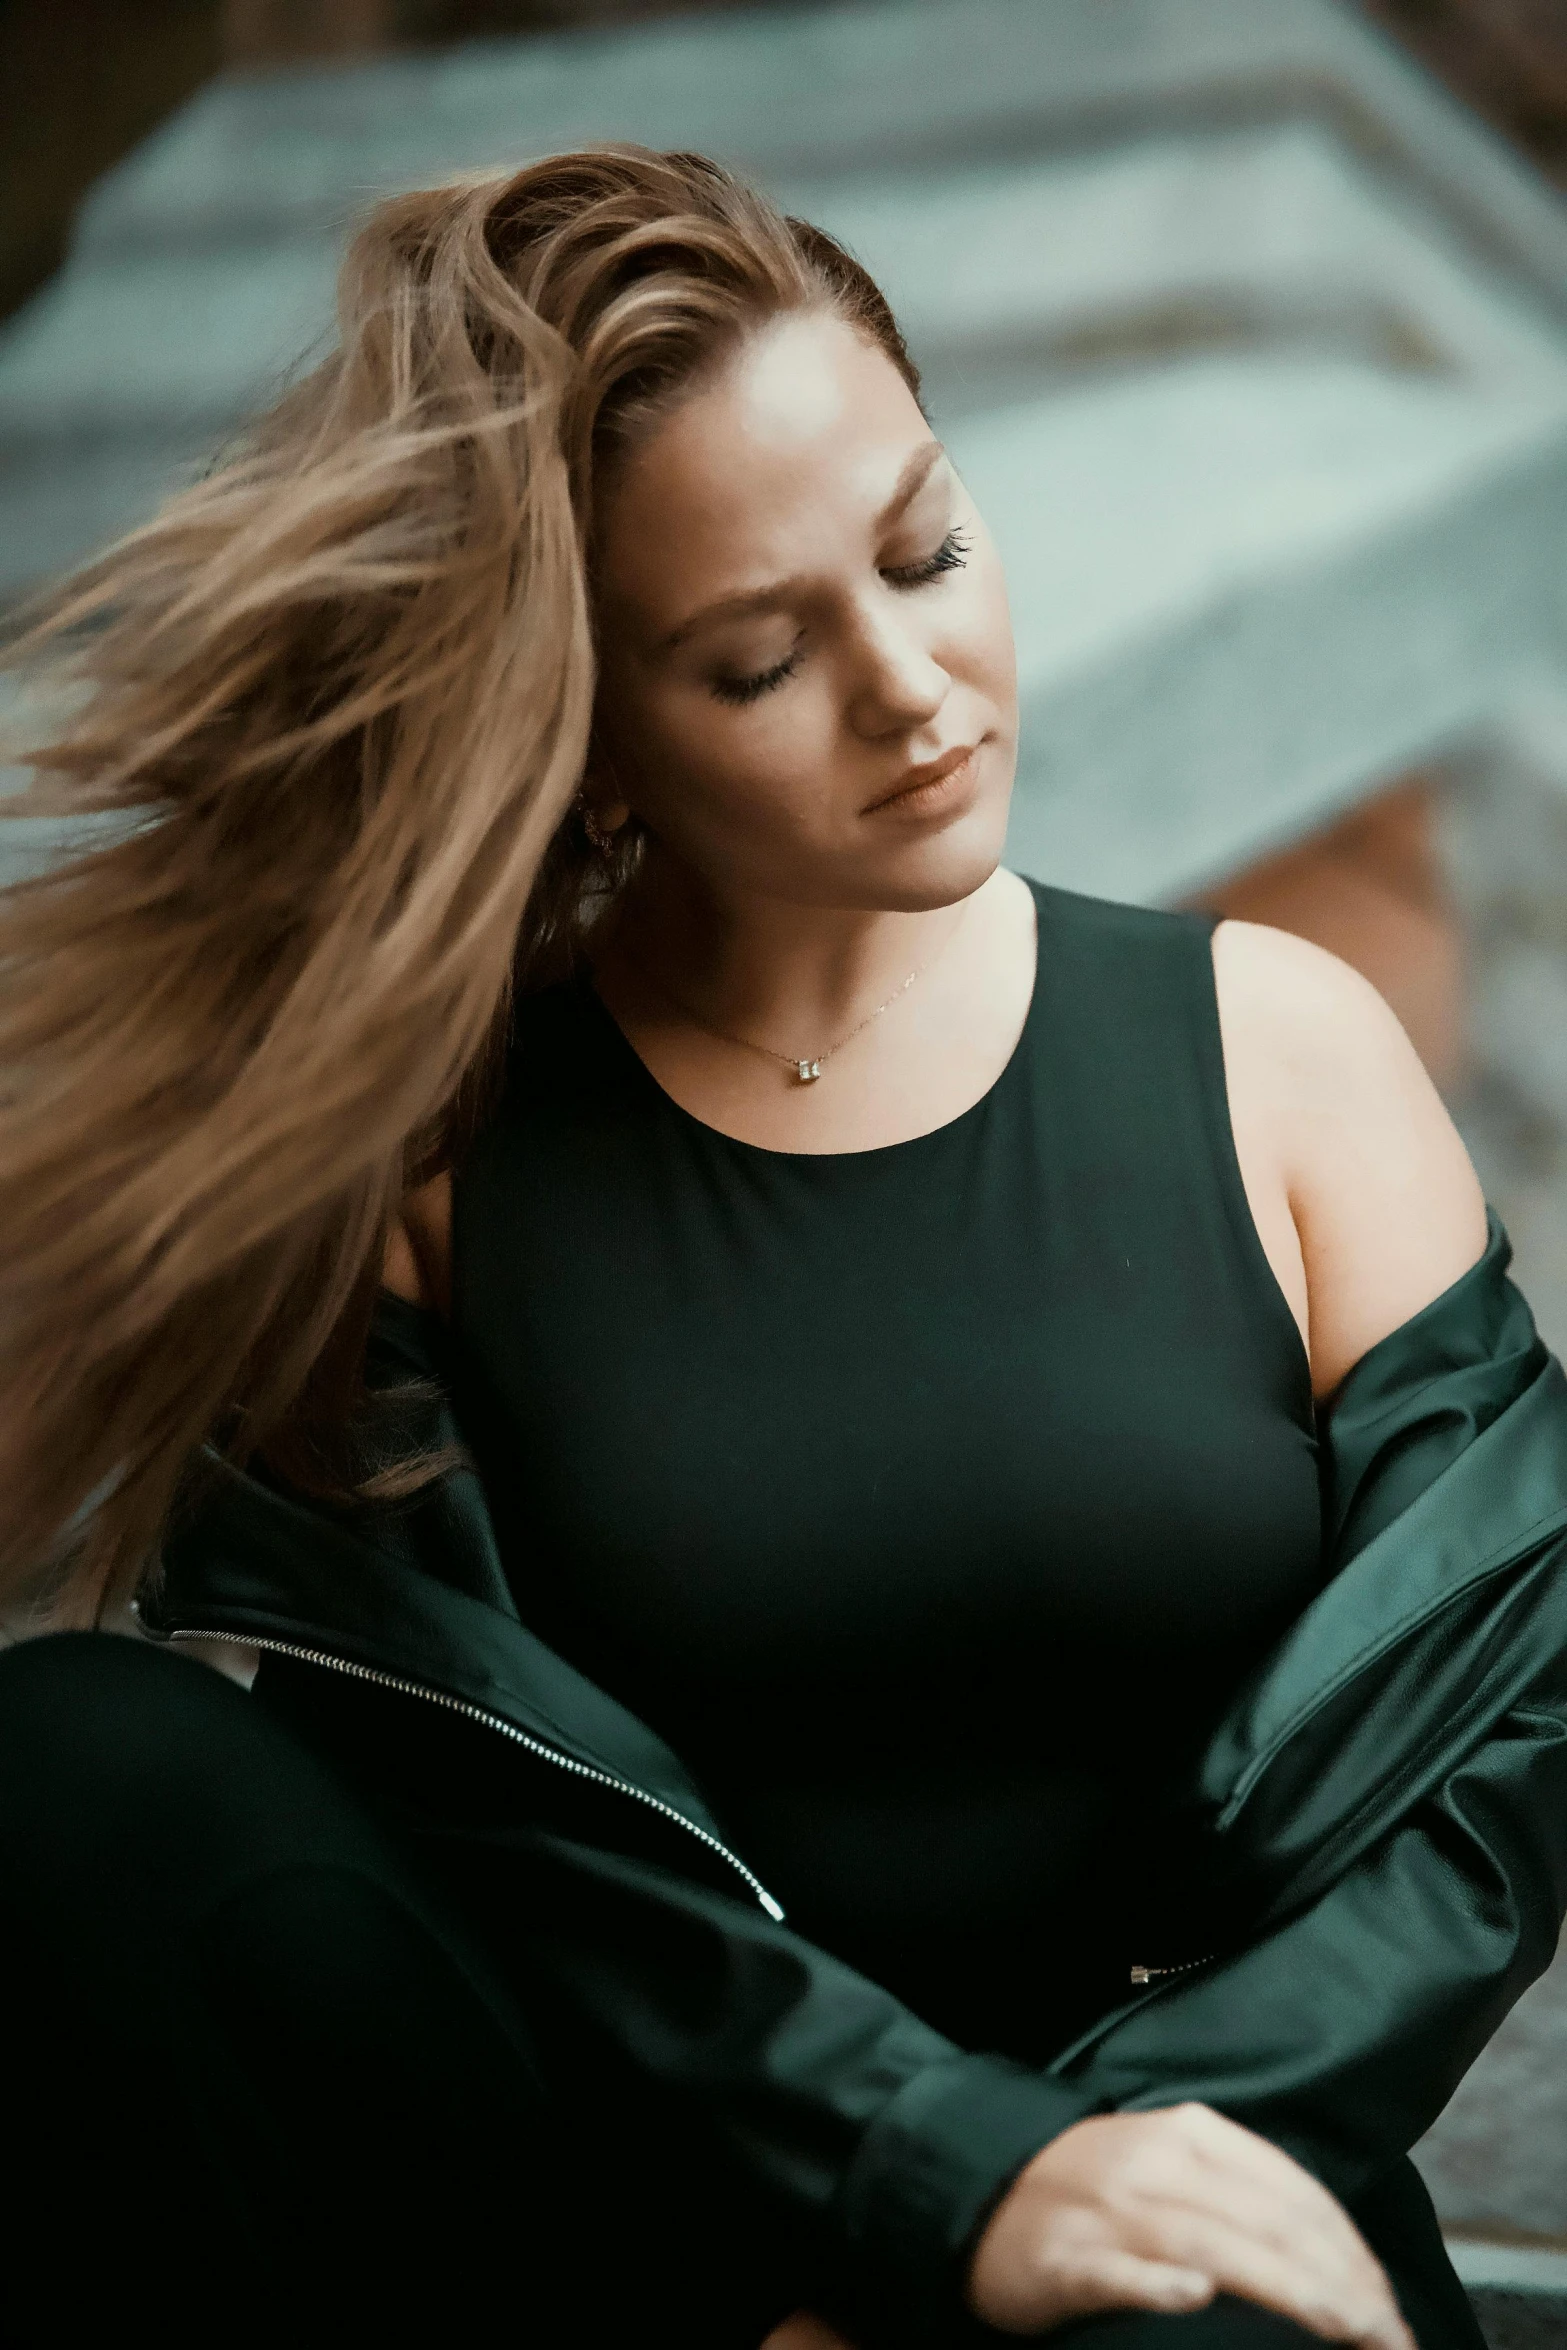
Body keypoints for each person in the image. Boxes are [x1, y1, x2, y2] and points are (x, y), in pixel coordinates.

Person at [2, 147, 1565, 2350]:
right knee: (75, 1755)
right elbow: (499, 1836)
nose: (915, 686)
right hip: (676, 2230)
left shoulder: (1275, 1048)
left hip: (1197, 2187)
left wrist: (1035, 2182)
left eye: (930, 548)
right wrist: (904, 2175)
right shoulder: (434, 1170)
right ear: (598, 731)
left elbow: (1495, 1752)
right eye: (758, 660)